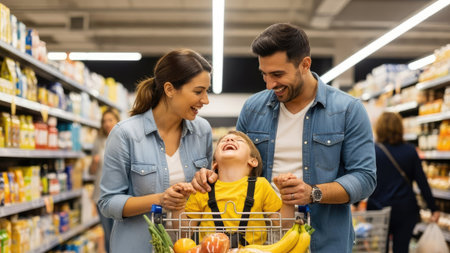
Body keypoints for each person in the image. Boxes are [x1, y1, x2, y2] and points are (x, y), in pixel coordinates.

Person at [191, 23, 377, 252]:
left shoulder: (347, 110)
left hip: (326, 240)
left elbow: (365, 177)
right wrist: (210, 175)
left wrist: (313, 193)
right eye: (264, 75)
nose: (270, 84)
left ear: (305, 64)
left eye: (278, 74)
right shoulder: (253, 109)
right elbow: (236, 170)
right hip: (260, 244)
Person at [97, 49, 213, 253]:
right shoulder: (126, 134)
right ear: (169, 89)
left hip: (189, 247)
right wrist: (160, 200)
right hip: (137, 247)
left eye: (206, 91)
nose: (205, 100)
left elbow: (208, 196)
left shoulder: (202, 131)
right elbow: (108, 203)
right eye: (198, 91)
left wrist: (209, 179)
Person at [173, 131, 294, 247]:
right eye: (223, 140)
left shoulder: (261, 185)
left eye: (238, 140)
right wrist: (178, 204)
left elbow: (283, 224)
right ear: (214, 163)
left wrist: (287, 196)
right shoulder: (203, 187)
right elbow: (185, 231)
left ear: (252, 160)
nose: (229, 139)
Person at [367, 112, 440, 253]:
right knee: (401, 249)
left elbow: (365, 178)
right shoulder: (410, 151)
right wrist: (433, 208)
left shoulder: (373, 151)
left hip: (378, 208)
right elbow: (422, 183)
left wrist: (356, 203)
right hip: (405, 209)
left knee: (379, 247)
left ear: (379, 128)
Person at [89, 108, 120, 253]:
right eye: (104, 121)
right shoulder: (99, 141)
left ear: (117, 120)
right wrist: (94, 162)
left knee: (118, 235)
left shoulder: (123, 138)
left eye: (110, 120)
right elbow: (91, 172)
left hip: (119, 195)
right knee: (108, 235)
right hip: (101, 195)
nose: (107, 124)